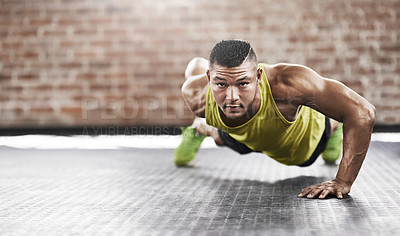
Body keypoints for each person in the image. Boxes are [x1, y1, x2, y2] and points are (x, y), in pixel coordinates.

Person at [174, 39, 375, 199]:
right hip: (245, 137)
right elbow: (197, 70)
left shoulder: (287, 84)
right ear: (209, 78)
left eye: (243, 83)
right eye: (221, 84)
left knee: (327, 128)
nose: (232, 97)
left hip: (301, 145)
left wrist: (343, 181)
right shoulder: (195, 95)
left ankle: (334, 127)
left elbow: (362, 112)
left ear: (259, 76)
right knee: (218, 136)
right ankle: (199, 129)